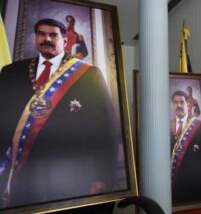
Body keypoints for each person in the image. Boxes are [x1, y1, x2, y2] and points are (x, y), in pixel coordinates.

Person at [0, 18, 120, 208]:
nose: (47, 38)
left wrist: (102, 175)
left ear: (65, 41)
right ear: (36, 38)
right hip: (22, 173)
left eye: (53, 35)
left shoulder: (89, 75)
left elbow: (105, 128)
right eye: (41, 34)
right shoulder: (11, 73)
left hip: (71, 174)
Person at [170, 90, 201, 204]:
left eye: (182, 102)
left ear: (188, 104)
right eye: (176, 103)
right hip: (172, 189)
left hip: (196, 188)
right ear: (172, 105)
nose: (179, 105)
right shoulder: (165, 126)